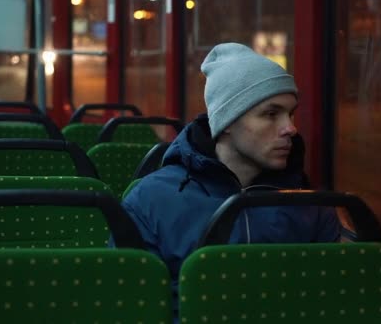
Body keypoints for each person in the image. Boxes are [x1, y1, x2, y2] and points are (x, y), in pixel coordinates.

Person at [119, 42, 341, 311]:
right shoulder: (150, 201)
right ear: (226, 123)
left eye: (290, 114)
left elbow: (332, 303)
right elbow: (131, 307)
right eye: (271, 114)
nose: (290, 128)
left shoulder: (310, 206)